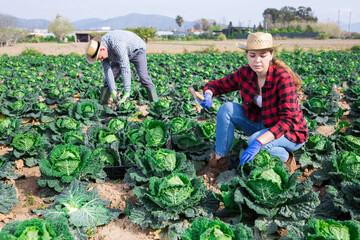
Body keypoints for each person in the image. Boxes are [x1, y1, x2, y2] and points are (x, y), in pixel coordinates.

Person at [197, 32, 308, 178]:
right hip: (263, 123)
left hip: (290, 132)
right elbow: (216, 85)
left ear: (271, 54)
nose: (257, 60)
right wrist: (208, 94)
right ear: (247, 55)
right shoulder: (245, 73)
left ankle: (287, 159)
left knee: (254, 142)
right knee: (226, 109)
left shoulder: (282, 78)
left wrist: (257, 142)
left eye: (262, 55)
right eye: (252, 55)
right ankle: (219, 163)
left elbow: (287, 121)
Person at [85, 30, 158, 108]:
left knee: (144, 78)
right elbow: (107, 71)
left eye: (101, 58)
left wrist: (127, 92)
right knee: (108, 80)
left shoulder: (117, 44)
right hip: (117, 56)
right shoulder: (100, 49)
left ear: (102, 49)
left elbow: (125, 67)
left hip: (136, 51)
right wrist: (113, 90)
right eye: (100, 59)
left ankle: (155, 104)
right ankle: (103, 104)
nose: (102, 60)